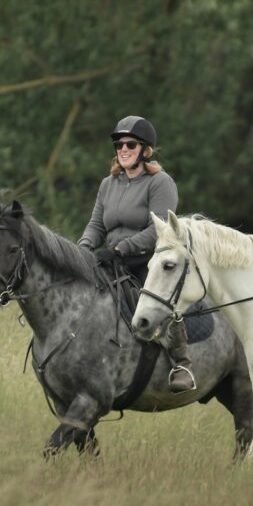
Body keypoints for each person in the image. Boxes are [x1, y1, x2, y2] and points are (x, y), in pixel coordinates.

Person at [78, 116, 194, 393]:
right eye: (119, 144)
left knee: (159, 301)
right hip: (110, 259)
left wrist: (121, 249)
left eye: (130, 144)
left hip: (148, 260)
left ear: (146, 150)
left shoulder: (160, 183)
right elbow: (96, 224)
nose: (123, 149)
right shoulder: (108, 184)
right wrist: (81, 250)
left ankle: (182, 362)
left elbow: (160, 230)